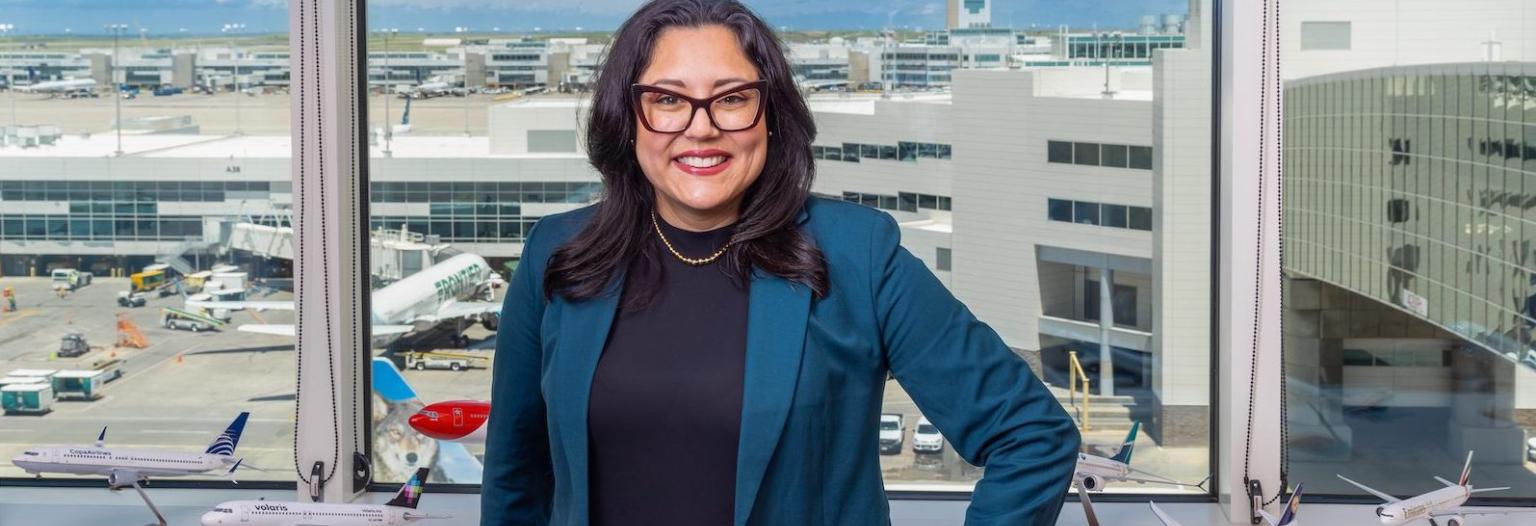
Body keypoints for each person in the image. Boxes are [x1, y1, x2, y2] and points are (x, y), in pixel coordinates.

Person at [481, 1, 1080, 524]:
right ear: (626, 116)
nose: (701, 128)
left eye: (732, 98)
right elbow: (515, 475)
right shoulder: (558, 255)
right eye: (667, 100)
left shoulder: (857, 256)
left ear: (770, 115)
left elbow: (1033, 434)